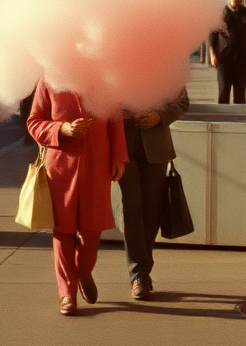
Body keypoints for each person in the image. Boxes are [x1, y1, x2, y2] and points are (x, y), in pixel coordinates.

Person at [27, 78, 128, 315]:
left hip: (97, 162)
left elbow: (115, 121)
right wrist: (61, 129)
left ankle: (83, 270)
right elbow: (34, 122)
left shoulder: (105, 78)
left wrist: (118, 157)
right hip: (61, 164)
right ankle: (67, 293)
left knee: (93, 228)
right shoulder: (48, 79)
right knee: (63, 229)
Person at [119, 87, 189, 300]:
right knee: (131, 207)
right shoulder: (112, 60)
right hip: (123, 146)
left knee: (152, 208)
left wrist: (159, 116)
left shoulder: (165, 63)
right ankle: (138, 273)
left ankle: (143, 270)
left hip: (156, 146)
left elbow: (182, 102)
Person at [209, 0, 246, 104]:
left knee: (240, 94)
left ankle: (240, 120)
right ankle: (224, 120)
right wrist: (212, 54)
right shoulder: (220, 14)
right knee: (223, 92)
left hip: (242, 59)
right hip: (224, 59)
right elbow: (212, 35)